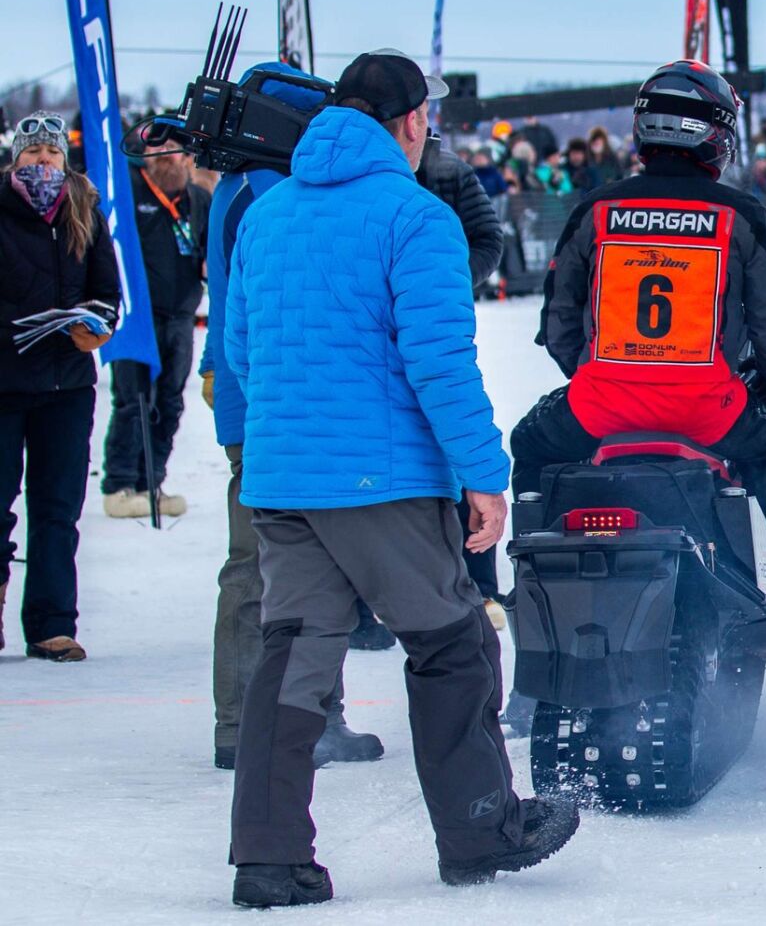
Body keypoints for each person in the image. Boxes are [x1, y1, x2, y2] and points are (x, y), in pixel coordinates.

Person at [224, 50, 577, 907]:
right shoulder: (416, 217)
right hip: (380, 480)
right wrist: (483, 474)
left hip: (282, 479)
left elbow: (241, 352)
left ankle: (269, 859)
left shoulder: (267, 215)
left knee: (293, 657)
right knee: (454, 643)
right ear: (412, 122)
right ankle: (481, 831)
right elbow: (439, 364)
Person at [509, 61, 766, 549]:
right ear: (717, 135)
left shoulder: (597, 210)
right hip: (708, 410)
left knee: (530, 444)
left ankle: (538, 562)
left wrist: (593, 376)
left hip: (600, 407)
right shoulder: (740, 216)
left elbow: (559, 318)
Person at [197, 63, 383, 771]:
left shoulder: (246, 184)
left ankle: (306, 718)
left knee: (303, 567)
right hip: (272, 403)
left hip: (267, 399)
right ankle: (250, 724)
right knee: (262, 566)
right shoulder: (266, 189)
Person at [0, 112, 119, 662]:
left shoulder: (85, 211)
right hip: (5, 382)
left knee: (58, 509)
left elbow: (107, 293)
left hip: (67, 385)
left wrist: (96, 326)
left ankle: (52, 625)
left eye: (51, 153)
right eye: (33, 153)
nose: (43, 161)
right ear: (15, 160)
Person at [415, 129, 510, 629]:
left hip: (437, 325)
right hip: (375, 336)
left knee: (457, 438)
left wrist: (445, 280)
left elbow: (489, 239)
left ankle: (480, 585)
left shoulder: (447, 169)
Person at [98, 133, 208, 518]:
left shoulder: (198, 200)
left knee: (170, 402)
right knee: (134, 401)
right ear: (143, 153)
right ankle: (119, 484)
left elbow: (208, 249)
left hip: (181, 316)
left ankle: (151, 482)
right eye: (157, 147)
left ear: (188, 156)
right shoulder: (127, 192)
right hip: (137, 318)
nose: (166, 154)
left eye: (174, 148)